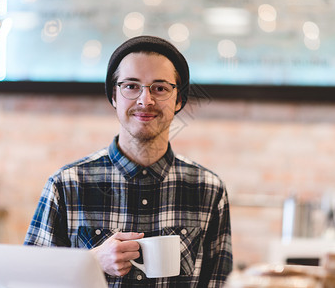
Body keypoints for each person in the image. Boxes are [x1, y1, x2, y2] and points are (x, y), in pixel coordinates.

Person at [24, 35, 233, 287]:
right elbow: (27, 279)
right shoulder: (66, 185)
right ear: (114, 96)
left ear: (179, 100)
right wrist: (91, 261)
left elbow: (220, 282)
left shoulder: (208, 190)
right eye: (131, 86)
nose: (145, 100)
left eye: (160, 88)